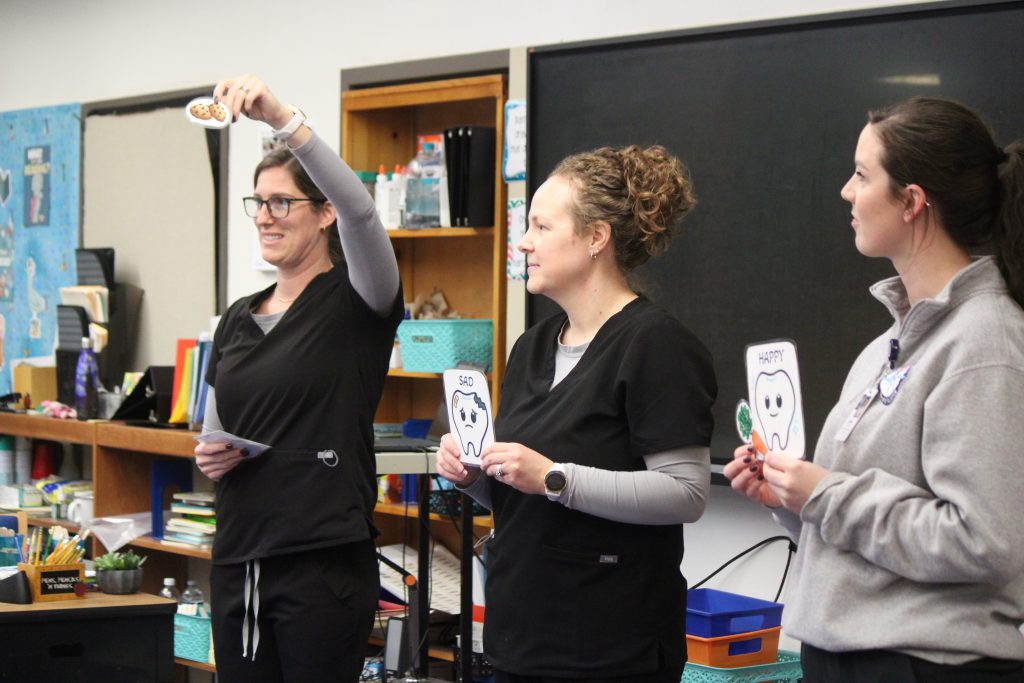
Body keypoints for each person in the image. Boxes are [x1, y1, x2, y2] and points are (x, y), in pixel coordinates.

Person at [725, 97, 1024, 682]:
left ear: (912, 202)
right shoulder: (882, 348)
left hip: (926, 666)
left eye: (863, 175)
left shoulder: (986, 340)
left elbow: (984, 540)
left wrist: (825, 494)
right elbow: (853, 525)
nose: (845, 191)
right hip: (845, 658)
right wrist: (792, 499)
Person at [437, 145, 717, 681]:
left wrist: (552, 478)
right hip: (519, 639)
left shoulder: (657, 345)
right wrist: (475, 473)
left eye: (541, 227)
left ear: (595, 238)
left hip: (608, 649)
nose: (523, 242)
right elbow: (520, 490)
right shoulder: (532, 346)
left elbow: (686, 493)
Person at [192, 75, 403, 682]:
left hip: (320, 563)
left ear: (325, 212)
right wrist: (210, 456)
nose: (264, 217)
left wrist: (281, 118)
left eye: (281, 202)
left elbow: (364, 212)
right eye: (257, 202)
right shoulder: (237, 316)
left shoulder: (360, 299)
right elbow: (214, 428)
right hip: (239, 557)